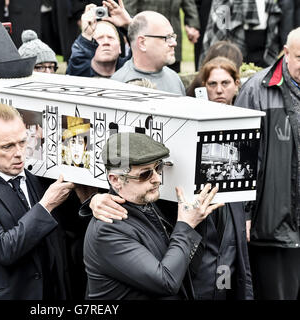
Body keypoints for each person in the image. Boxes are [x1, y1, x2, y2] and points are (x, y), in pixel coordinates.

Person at [0, 103, 78, 300]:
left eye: (22, 142)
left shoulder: (39, 178)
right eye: (8, 146)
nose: (19, 152)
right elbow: (3, 249)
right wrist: (46, 206)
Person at [83, 132, 223, 299]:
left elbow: (187, 269)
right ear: (115, 180)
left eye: (158, 168)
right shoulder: (107, 230)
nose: (157, 179)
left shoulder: (147, 203)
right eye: (145, 174)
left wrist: (195, 219)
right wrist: (185, 226)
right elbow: (166, 281)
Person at [234, 27, 300, 300]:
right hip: (273, 225)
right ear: (285, 53)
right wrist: (245, 214)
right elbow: (241, 157)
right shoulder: (256, 90)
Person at [111, 11, 186, 95]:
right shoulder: (119, 85)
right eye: (167, 37)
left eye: (173, 36)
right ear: (142, 43)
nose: (174, 43)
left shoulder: (174, 78)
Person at [122, 0, 200, 73]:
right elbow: (128, 8)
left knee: (173, 70)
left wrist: (192, 23)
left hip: (172, 32)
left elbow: (189, 4)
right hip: (148, 37)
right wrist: (128, 30)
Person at [66, 1, 129, 78]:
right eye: (100, 38)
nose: (106, 42)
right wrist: (86, 35)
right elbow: (78, 63)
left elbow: (143, 51)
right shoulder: (80, 74)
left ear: (120, 47)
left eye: (110, 38)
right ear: (90, 47)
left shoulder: (129, 70)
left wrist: (129, 26)